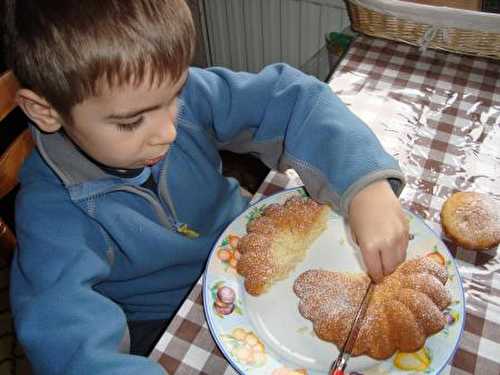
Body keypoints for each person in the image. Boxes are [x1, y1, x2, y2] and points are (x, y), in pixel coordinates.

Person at [4, 0, 409, 373]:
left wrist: (365, 185)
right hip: (163, 317)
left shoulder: (161, 96)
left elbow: (294, 99)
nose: (168, 130)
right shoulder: (51, 211)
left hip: (246, 247)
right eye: (131, 123)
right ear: (46, 110)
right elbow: (68, 342)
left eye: (175, 95)